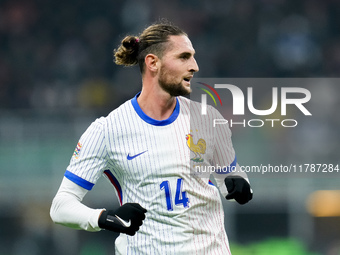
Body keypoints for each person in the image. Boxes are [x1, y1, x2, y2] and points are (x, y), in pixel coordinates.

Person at [50, 21, 253, 255]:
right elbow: (61, 206)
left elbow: (231, 177)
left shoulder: (208, 119)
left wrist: (240, 184)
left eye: (193, 57)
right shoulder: (107, 130)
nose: (195, 66)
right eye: (184, 57)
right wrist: (105, 218)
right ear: (153, 63)